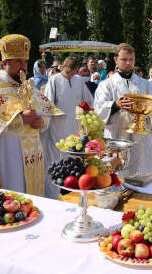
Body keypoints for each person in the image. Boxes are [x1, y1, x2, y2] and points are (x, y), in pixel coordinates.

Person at [0, 34, 62, 195]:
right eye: (18, 61)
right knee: (11, 202)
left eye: (25, 61)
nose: (23, 66)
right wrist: (21, 119)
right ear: (4, 63)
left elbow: (44, 114)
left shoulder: (27, 87)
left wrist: (41, 121)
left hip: (32, 158)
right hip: (7, 158)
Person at [94, 43, 152, 178]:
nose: (128, 63)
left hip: (141, 139)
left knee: (142, 176)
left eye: (131, 60)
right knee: (117, 177)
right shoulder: (106, 85)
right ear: (116, 60)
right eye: (124, 60)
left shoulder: (145, 84)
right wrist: (115, 105)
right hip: (117, 136)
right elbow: (98, 108)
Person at [41, 56, 93, 198]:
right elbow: (48, 103)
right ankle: (54, 191)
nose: (69, 75)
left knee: (73, 155)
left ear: (76, 71)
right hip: (57, 124)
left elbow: (88, 101)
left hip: (74, 125)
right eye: (67, 71)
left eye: (72, 72)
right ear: (62, 67)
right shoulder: (54, 80)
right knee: (57, 155)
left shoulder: (79, 81)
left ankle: (71, 189)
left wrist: (88, 115)